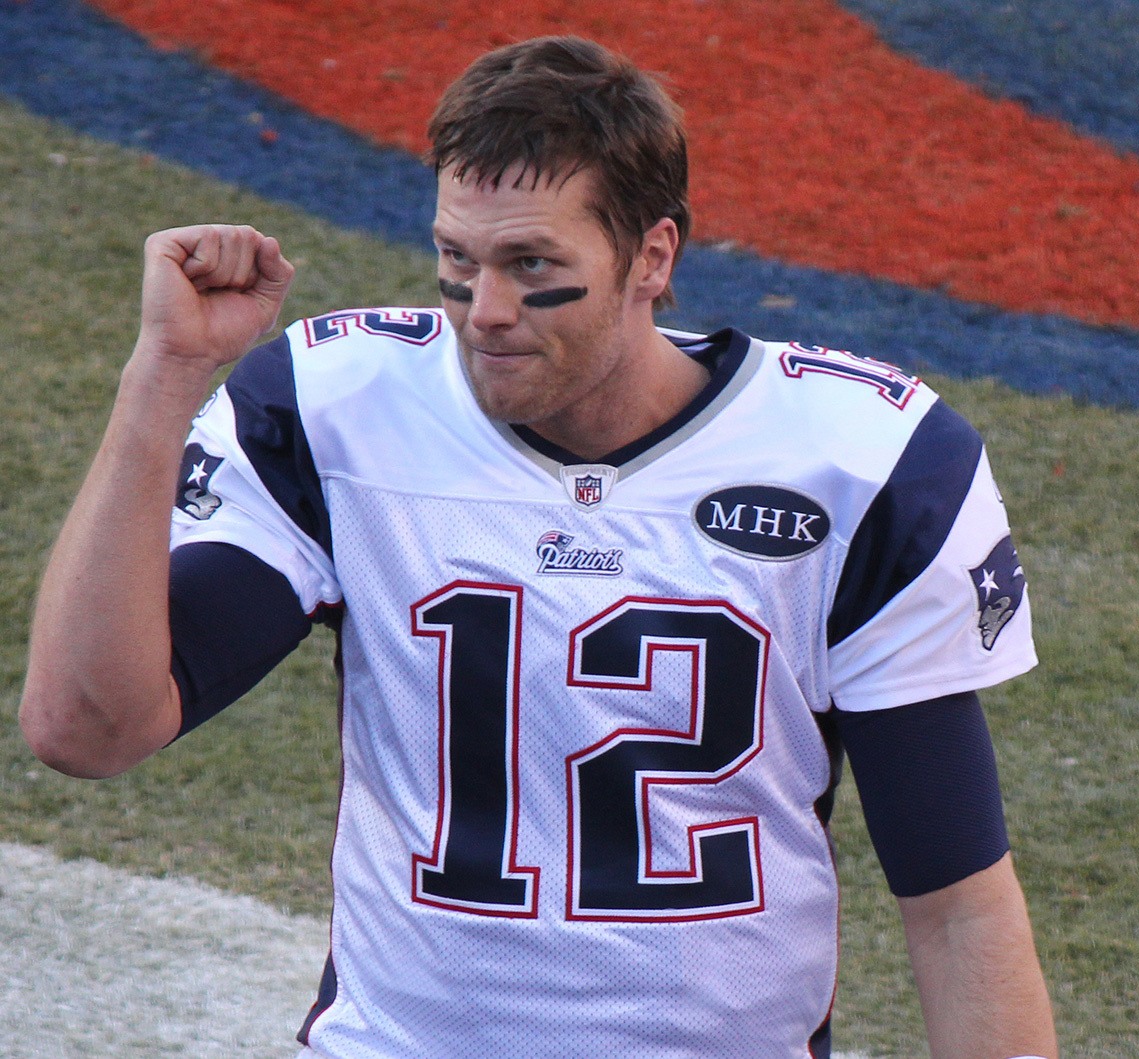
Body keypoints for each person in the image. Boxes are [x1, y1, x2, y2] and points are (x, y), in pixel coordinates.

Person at [20, 35, 1057, 1059]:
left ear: (652, 256)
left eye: (531, 265)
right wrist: (163, 375)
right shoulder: (343, 410)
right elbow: (87, 727)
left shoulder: (860, 462)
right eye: (457, 263)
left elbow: (955, 901)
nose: (487, 314)